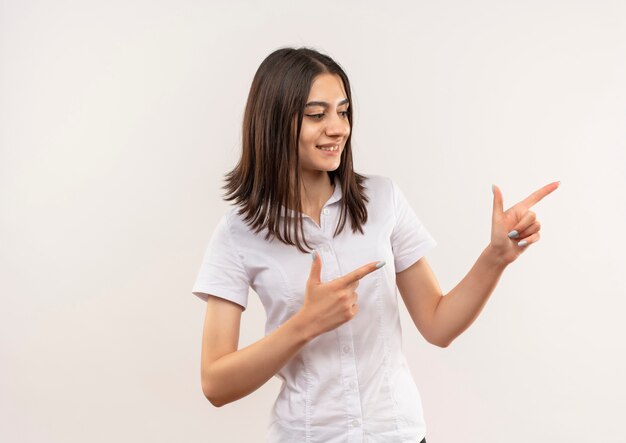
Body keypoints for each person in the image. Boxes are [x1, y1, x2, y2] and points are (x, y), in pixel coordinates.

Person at [191, 47, 559, 443]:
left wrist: (495, 259)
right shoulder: (238, 231)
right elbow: (216, 383)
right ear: (274, 122)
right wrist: (305, 324)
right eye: (317, 115)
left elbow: (438, 324)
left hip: (397, 432)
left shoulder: (382, 200)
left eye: (343, 111)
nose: (338, 128)